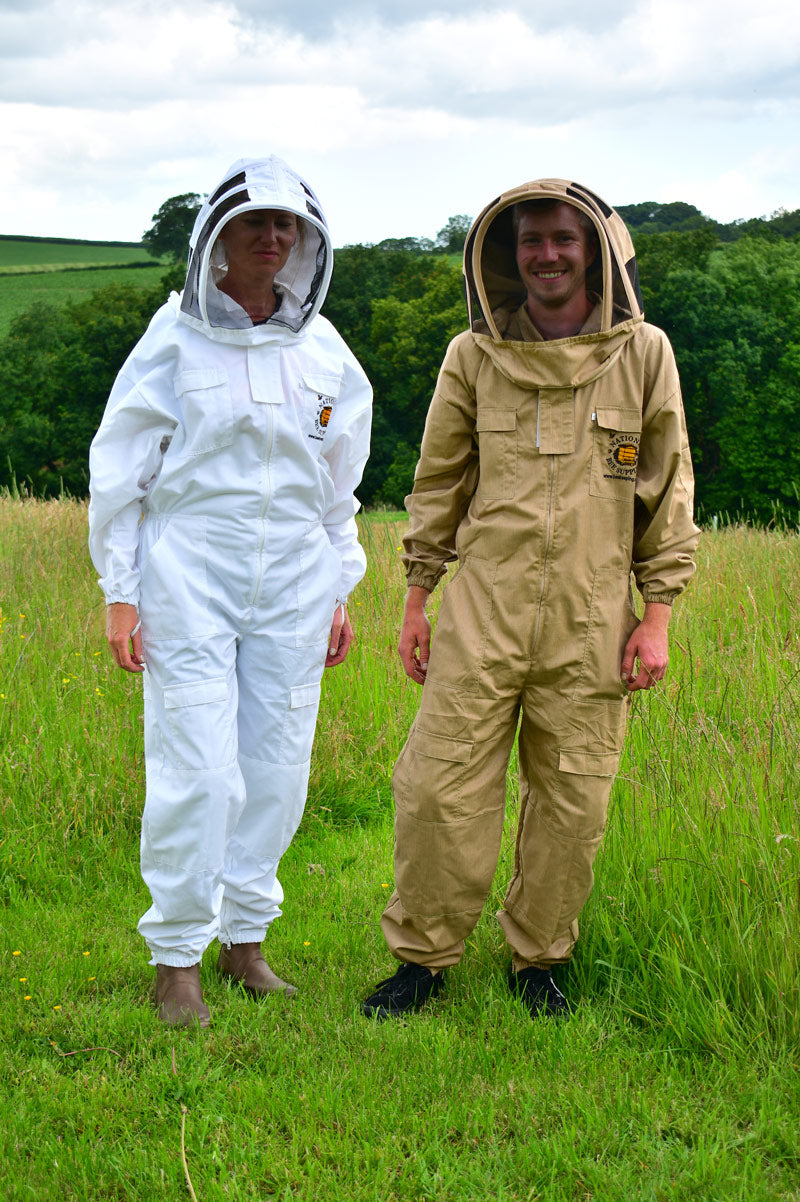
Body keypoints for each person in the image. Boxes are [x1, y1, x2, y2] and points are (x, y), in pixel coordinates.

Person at [361, 178, 699, 1020]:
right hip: (483, 608)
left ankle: (538, 962)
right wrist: (416, 597)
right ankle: (422, 961)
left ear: (597, 250)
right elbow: (438, 482)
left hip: (592, 615)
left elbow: (667, 488)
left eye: (563, 239)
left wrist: (657, 617)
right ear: (506, 259)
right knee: (439, 787)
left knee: (575, 796)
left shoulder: (644, 352)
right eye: (530, 243)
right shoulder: (471, 357)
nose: (547, 255)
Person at [89, 156, 372, 1028]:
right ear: (217, 240)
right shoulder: (172, 341)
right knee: (199, 772)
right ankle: (176, 956)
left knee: (278, 767)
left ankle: (245, 942)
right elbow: (120, 468)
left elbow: (338, 486)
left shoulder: (324, 352)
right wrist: (120, 591)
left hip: (295, 575)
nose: (274, 239)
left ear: (306, 246)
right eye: (257, 225)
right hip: (190, 570)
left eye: (288, 228)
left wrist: (339, 587)